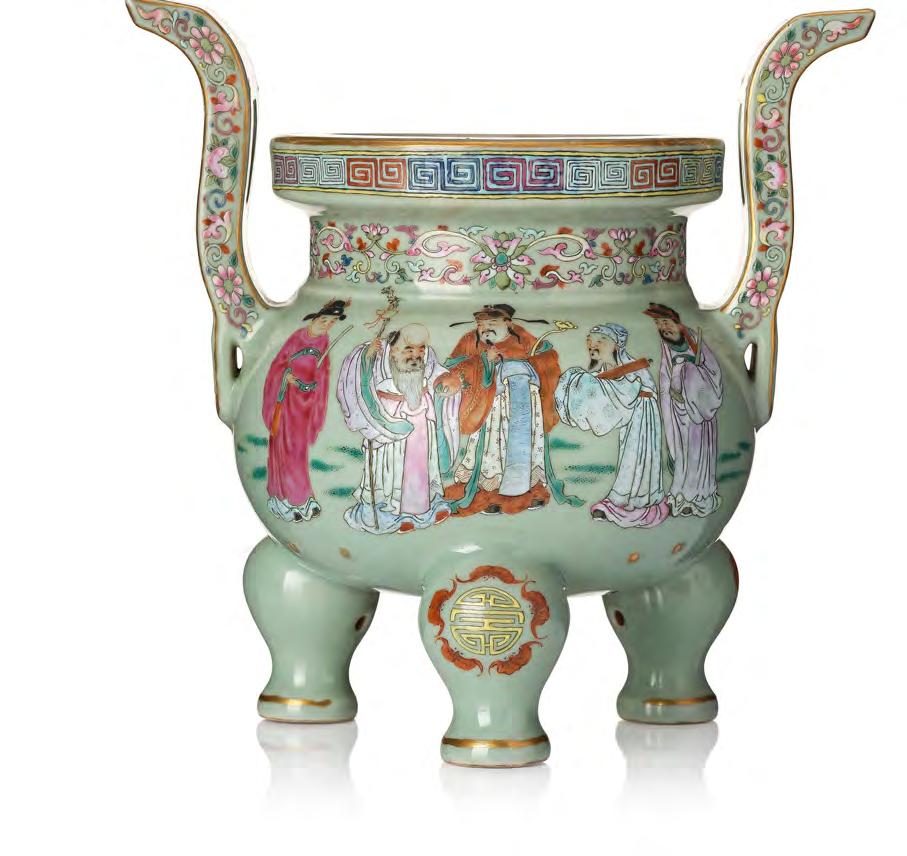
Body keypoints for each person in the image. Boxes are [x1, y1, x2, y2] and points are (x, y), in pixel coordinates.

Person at [433, 304, 579, 516]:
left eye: (492, 323)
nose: (485, 329)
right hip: (491, 402)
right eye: (481, 324)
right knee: (493, 446)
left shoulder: (522, 337)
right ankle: (489, 492)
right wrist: (485, 361)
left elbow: (546, 358)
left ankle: (528, 489)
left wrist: (532, 364)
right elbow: (454, 367)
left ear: (508, 323)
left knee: (525, 444)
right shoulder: (470, 340)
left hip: (525, 403)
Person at [336, 323, 451, 534]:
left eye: (420, 350)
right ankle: (393, 513)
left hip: (421, 429)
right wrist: (368, 356)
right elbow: (360, 379)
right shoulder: (381, 369)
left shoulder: (426, 365)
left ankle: (421, 510)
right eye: (408, 350)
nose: (416, 356)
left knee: (421, 468)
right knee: (392, 469)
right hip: (390, 427)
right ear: (394, 352)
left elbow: (438, 373)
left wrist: (446, 380)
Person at [555, 323, 669, 527]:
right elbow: (607, 392)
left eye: (600, 341)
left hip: (643, 417)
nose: (593, 345)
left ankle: (636, 502)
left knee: (636, 457)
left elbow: (630, 391)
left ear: (616, 345)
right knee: (627, 456)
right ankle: (621, 499)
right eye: (590, 341)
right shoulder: (607, 367)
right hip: (630, 417)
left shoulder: (632, 366)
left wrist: (597, 386)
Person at [262, 299, 349, 522]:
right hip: (287, 401)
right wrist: (286, 377)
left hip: (305, 404)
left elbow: (323, 371)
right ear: (315, 317)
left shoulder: (324, 341)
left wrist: (315, 385)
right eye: (324, 320)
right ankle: (285, 498)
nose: (327, 325)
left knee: (299, 451)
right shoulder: (296, 336)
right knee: (286, 448)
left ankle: (302, 499)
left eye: (331, 322)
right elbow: (278, 365)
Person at [644, 303, 723, 517]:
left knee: (697, 453)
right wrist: (670, 402)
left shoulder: (696, 340)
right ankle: (680, 496)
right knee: (682, 454)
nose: (663, 328)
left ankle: (698, 497)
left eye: (666, 322)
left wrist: (690, 375)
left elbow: (713, 372)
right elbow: (664, 378)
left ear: (678, 323)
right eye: (659, 324)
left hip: (699, 412)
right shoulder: (666, 346)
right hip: (678, 410)